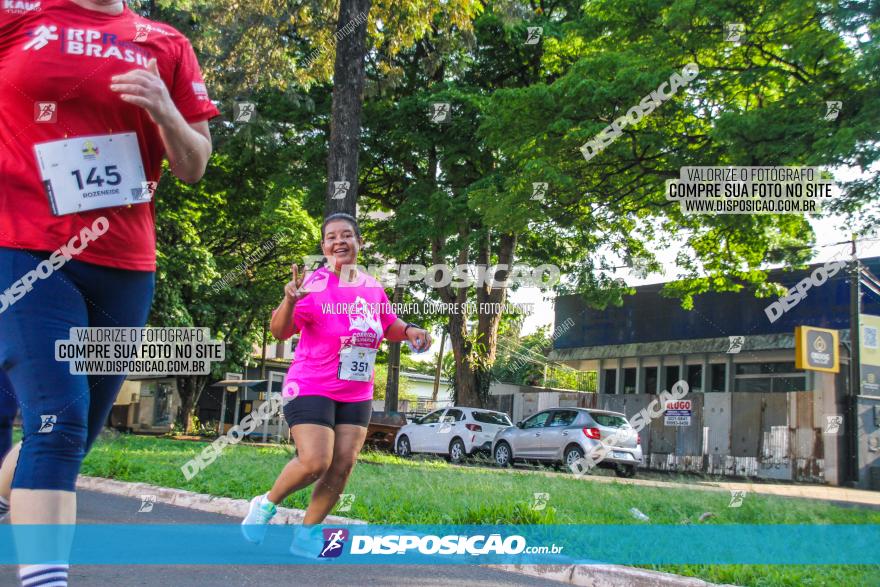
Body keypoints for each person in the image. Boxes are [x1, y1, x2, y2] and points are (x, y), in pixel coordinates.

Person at [0, 1, 219, 585]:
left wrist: (167, 111)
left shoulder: (166, 43)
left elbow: (194, 164)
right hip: (22, 249)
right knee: (60, 420)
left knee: (77, 435)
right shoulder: (17, 14)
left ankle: (6, 490)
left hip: (124, 263)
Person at [241, 213, 432, 553]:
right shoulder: (312, 286)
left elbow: (387, 322)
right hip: (311, 384)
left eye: (347, 235)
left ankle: (307, 536)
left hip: (356, 389)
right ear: (324, 246)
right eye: (331, 237)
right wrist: (289, 300)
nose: (339, 241)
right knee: (316, 461)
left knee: (342, 465)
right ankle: (265, 505)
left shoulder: (372, 286)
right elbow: (280, 331)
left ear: (359, 242)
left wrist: (410, 330)